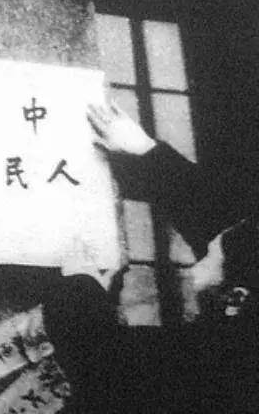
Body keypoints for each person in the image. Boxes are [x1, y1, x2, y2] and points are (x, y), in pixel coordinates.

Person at [42, 102, 259, 413]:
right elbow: (227, 227)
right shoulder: (243, 312)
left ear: (236, 299)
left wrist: (79, 286)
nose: (196, 262)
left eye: (207, 256)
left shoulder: (220, 368)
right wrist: (146, 151)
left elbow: (106, 363)